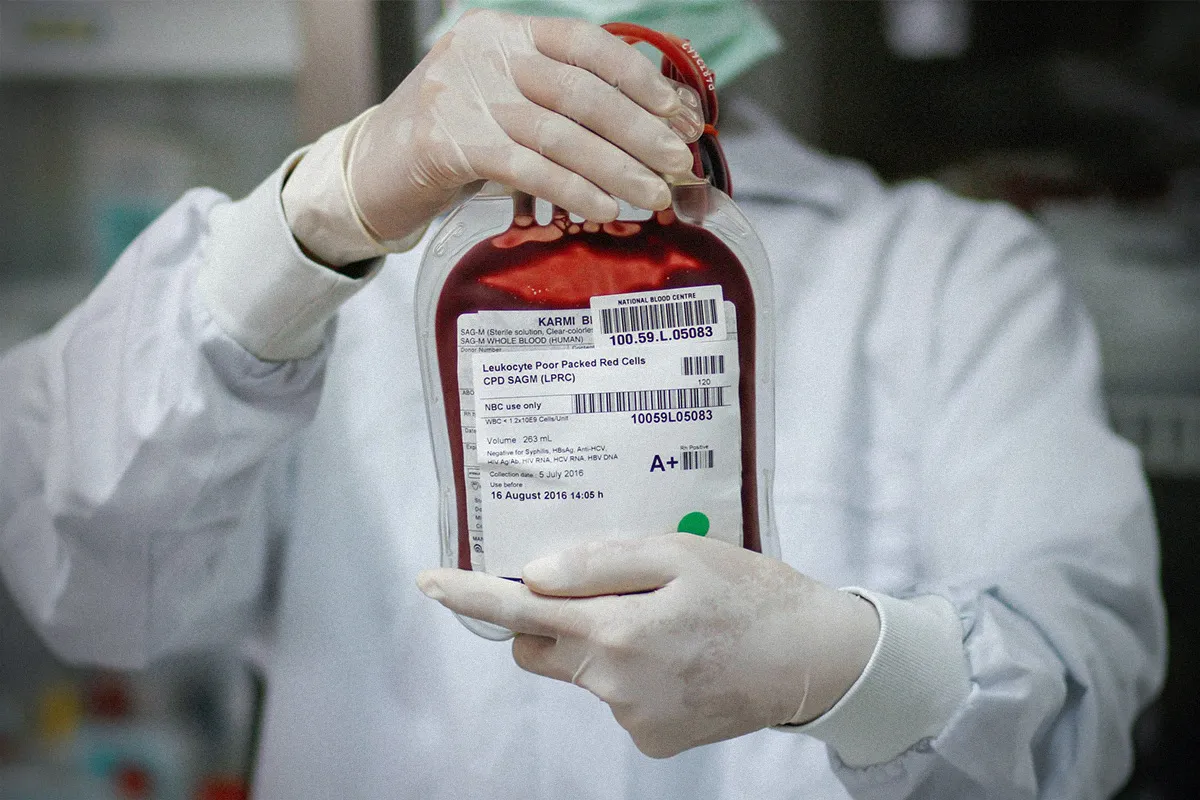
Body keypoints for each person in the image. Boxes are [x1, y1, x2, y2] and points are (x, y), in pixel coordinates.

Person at [0, 2, 1166, 797]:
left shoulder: (950, 272)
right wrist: (318, 212)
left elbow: (1079, 711)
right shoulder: (347, 266)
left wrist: (845, 664)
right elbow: (88, 577)